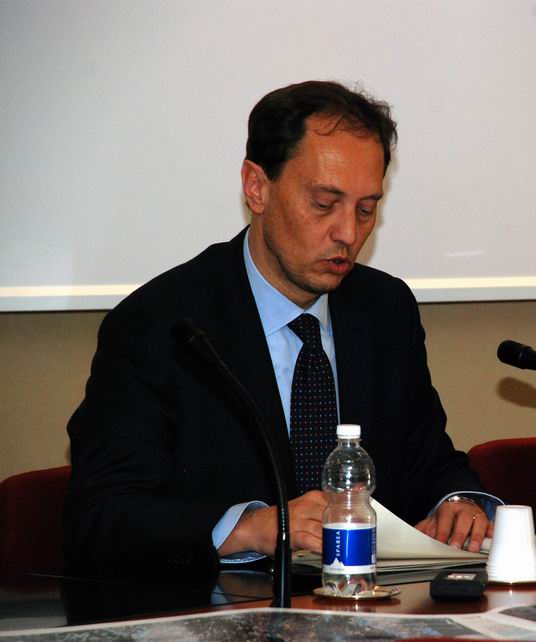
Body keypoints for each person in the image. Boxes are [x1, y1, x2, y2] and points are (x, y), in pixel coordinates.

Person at [64, 81, 496, 572]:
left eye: (366, 209)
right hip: (224, 605)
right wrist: (250, 528)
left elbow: (427, 460)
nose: (348, 233)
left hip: (365, 598)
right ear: (257, 187)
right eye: (324, 204)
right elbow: (99, 515)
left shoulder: (384, 309)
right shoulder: (162, 323)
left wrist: (458, 502)